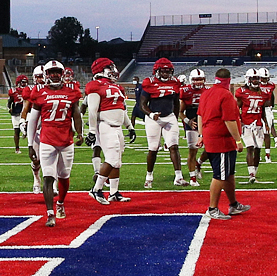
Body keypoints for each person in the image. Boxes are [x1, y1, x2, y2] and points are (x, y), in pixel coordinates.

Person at [30, 60, 83, 227]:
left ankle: (60, 202)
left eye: (57, 72)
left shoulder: (72, 91)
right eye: (51, 72)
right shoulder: (39, 92)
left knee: (64, 176)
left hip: (66, 140)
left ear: (62, 74)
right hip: (47, 139)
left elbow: (76, 113)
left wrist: (80, 132)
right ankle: (50, 213)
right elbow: (33, 120)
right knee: (48, 177)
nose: (54, 75)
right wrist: (30, 144)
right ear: (46, 75)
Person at [198, 66, 246, 220]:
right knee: (220, 175)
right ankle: (212, 208)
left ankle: (233, 204)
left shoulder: (207, 93)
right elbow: (229, 120)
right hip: (222, 140)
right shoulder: (226, 95)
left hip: (211, 136)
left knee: (228, 174)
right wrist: (238, 140)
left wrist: (201, 134)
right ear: (229, 81)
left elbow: (200, 115)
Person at [83, 57, 132, 204]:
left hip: (117, 127)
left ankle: (114, 192)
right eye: (110, 68)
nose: (114, 71)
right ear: (101, 70)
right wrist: (91, 131)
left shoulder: (116, 86)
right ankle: (96, 189)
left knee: (117, 162)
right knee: (111, 159)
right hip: (106, 126)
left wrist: (129, 126)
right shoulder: (94, 85)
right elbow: (92, 110)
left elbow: (122, 109)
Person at [138, 58, 186, 188]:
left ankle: (178, 177)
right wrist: (151, 114)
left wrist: (175, 118)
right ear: (157, 71)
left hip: (169, 117)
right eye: (163, 71)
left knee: (174, 146)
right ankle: (149, 176)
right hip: (154, 118)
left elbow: (176, 103)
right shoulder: (149, 82)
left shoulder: (175, 82)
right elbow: (142, 104)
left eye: (168, 71)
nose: (166, 74)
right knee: (153, 149)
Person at [237, 67, 277, 183]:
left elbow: (263, 109)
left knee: (258, 149)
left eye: (257, 78)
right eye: (253, 78)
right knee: (250, 147)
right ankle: (251, 174)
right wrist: (239, 121)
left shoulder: (264, 93)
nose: (256, 81)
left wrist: (265, 122)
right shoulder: (242, 92)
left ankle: (255, 172)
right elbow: (236, 108)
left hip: (258, 124)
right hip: (247, 124)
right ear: (248, 79)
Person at [182, 67, 208, 185]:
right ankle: (193, 178)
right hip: (193, 122)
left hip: (206, 121)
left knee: (210, 149)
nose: (198, 82)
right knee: (193, 151)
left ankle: (199, 163)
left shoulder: (208, 91)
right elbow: (180, 111)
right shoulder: (185, 91)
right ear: (191, 80)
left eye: (200, 79)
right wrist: (187, 121)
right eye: (196, 79)